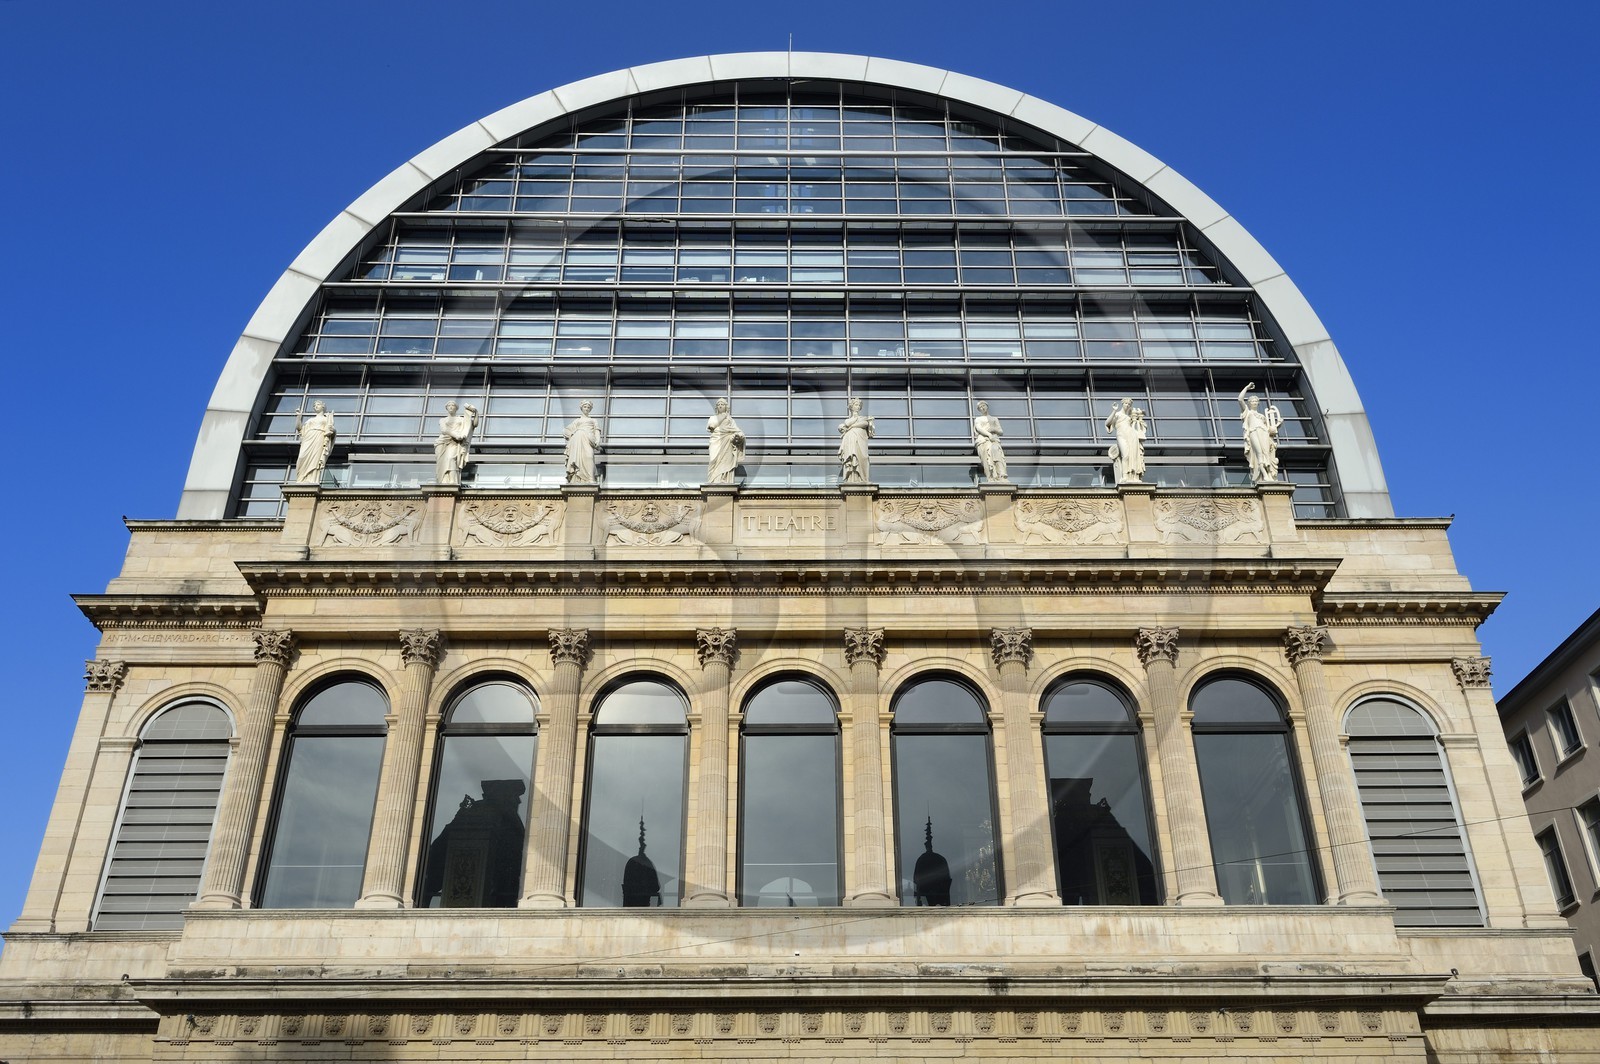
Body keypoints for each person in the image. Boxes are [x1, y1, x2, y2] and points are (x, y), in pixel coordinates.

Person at [1237, 383, 1283, 484]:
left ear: (1258, 403)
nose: (1253, 402)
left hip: (1264, 433)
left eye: (1255, 401)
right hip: (1254, 432)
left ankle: (1268, 475)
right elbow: (1240, 399)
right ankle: (1264, 475)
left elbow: (1270, 430)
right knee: (1259, 453)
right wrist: (1247, 387)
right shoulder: (1247, 412)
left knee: (1266, 453)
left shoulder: (1262, 416)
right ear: (1249, 403)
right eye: (1252, 401)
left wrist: (1277, 425)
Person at [433, 400, 479, 485]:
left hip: (455, 443)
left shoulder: (460, 419)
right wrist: (456, 435)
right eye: (449, 405)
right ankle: (444, 480)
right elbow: (444, 430)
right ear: (446, 408)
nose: (451, 407)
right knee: (442, 463)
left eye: (453, 405)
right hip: (443, 442)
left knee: (451, 458)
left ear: (456, 408)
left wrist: (476, 412)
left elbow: (474, 424)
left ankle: (453, 481)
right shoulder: (443, 420)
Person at [1104, 398, 1147, 484]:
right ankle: (1124, 476)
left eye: (1129, 404)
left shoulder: (1129, 417)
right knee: (1126, 455)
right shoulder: (1117, 414)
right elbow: (1107, 423)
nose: (1127, 405)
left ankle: (1132, 476)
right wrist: (1114, 410)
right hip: (1121, 435)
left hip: (1131, 436)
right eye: (1126, 403)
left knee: (1133, 456)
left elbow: (1137, 425)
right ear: (1122, 404)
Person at [294, 400, 336, 484]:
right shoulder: (310, 420)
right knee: (301, 457)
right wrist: (298, 416)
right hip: (307, 438)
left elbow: (331, 429)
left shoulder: (326, 419)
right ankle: (301, 479)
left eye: (317, 404)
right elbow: (299, 428)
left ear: (323, 406)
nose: (315, 406)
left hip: (319, 438)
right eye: (314, 405)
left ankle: (312, 479)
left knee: (315, 459)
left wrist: (333, 431)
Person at [705, 397, 745, 484]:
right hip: (716, 440)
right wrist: (723, 416)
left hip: (727, 441)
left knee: (726, 461)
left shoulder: (730, 419)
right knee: (713, 460)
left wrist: (739, 436)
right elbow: (712, 426)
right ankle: (713, 479)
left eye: (722, 404)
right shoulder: (713, 418)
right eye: (718, 405)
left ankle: (724, 479)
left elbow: (737, 430)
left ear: (726, 406)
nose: (720, 406)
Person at [837, 397, 875, 484]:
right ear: (851, 407)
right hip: (851, 440)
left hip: (861, 439)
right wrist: (855, 419)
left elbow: (865, 424)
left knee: (863, 457)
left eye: (859, 405)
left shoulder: (863, 418)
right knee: (852, 457)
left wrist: (852, 426)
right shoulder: (849, 420)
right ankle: (852, 479)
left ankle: (864, 479)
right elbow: (847, 423)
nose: (857, 407)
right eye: (856, 405)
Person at [563, 400, 601, 484]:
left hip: (588, 439)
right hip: (577, 440)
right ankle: (576, 478)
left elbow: (597, 431)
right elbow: (566, 430)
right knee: (576, 458)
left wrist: (598, 440)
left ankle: (591, 478)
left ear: (590, 409)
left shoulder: (593, 420)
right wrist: (571, 434)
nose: (587, 408)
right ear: (581, 408)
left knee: (589, 457)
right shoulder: (577, 421)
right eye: (585, 407)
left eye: (588, 407)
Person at [972, 400, 1007, 482]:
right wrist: (989, 434)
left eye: (983, 406)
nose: (982, 408)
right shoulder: (978, 419)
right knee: (986, 459)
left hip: (994, 440)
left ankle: (1001, 474)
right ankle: (990, 477)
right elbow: (979, 428)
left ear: (987, 406)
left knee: (997, 453)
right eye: (980, 407)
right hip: (983, 440)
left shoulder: (994, 419)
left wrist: (993, 429)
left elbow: (1001, 431)